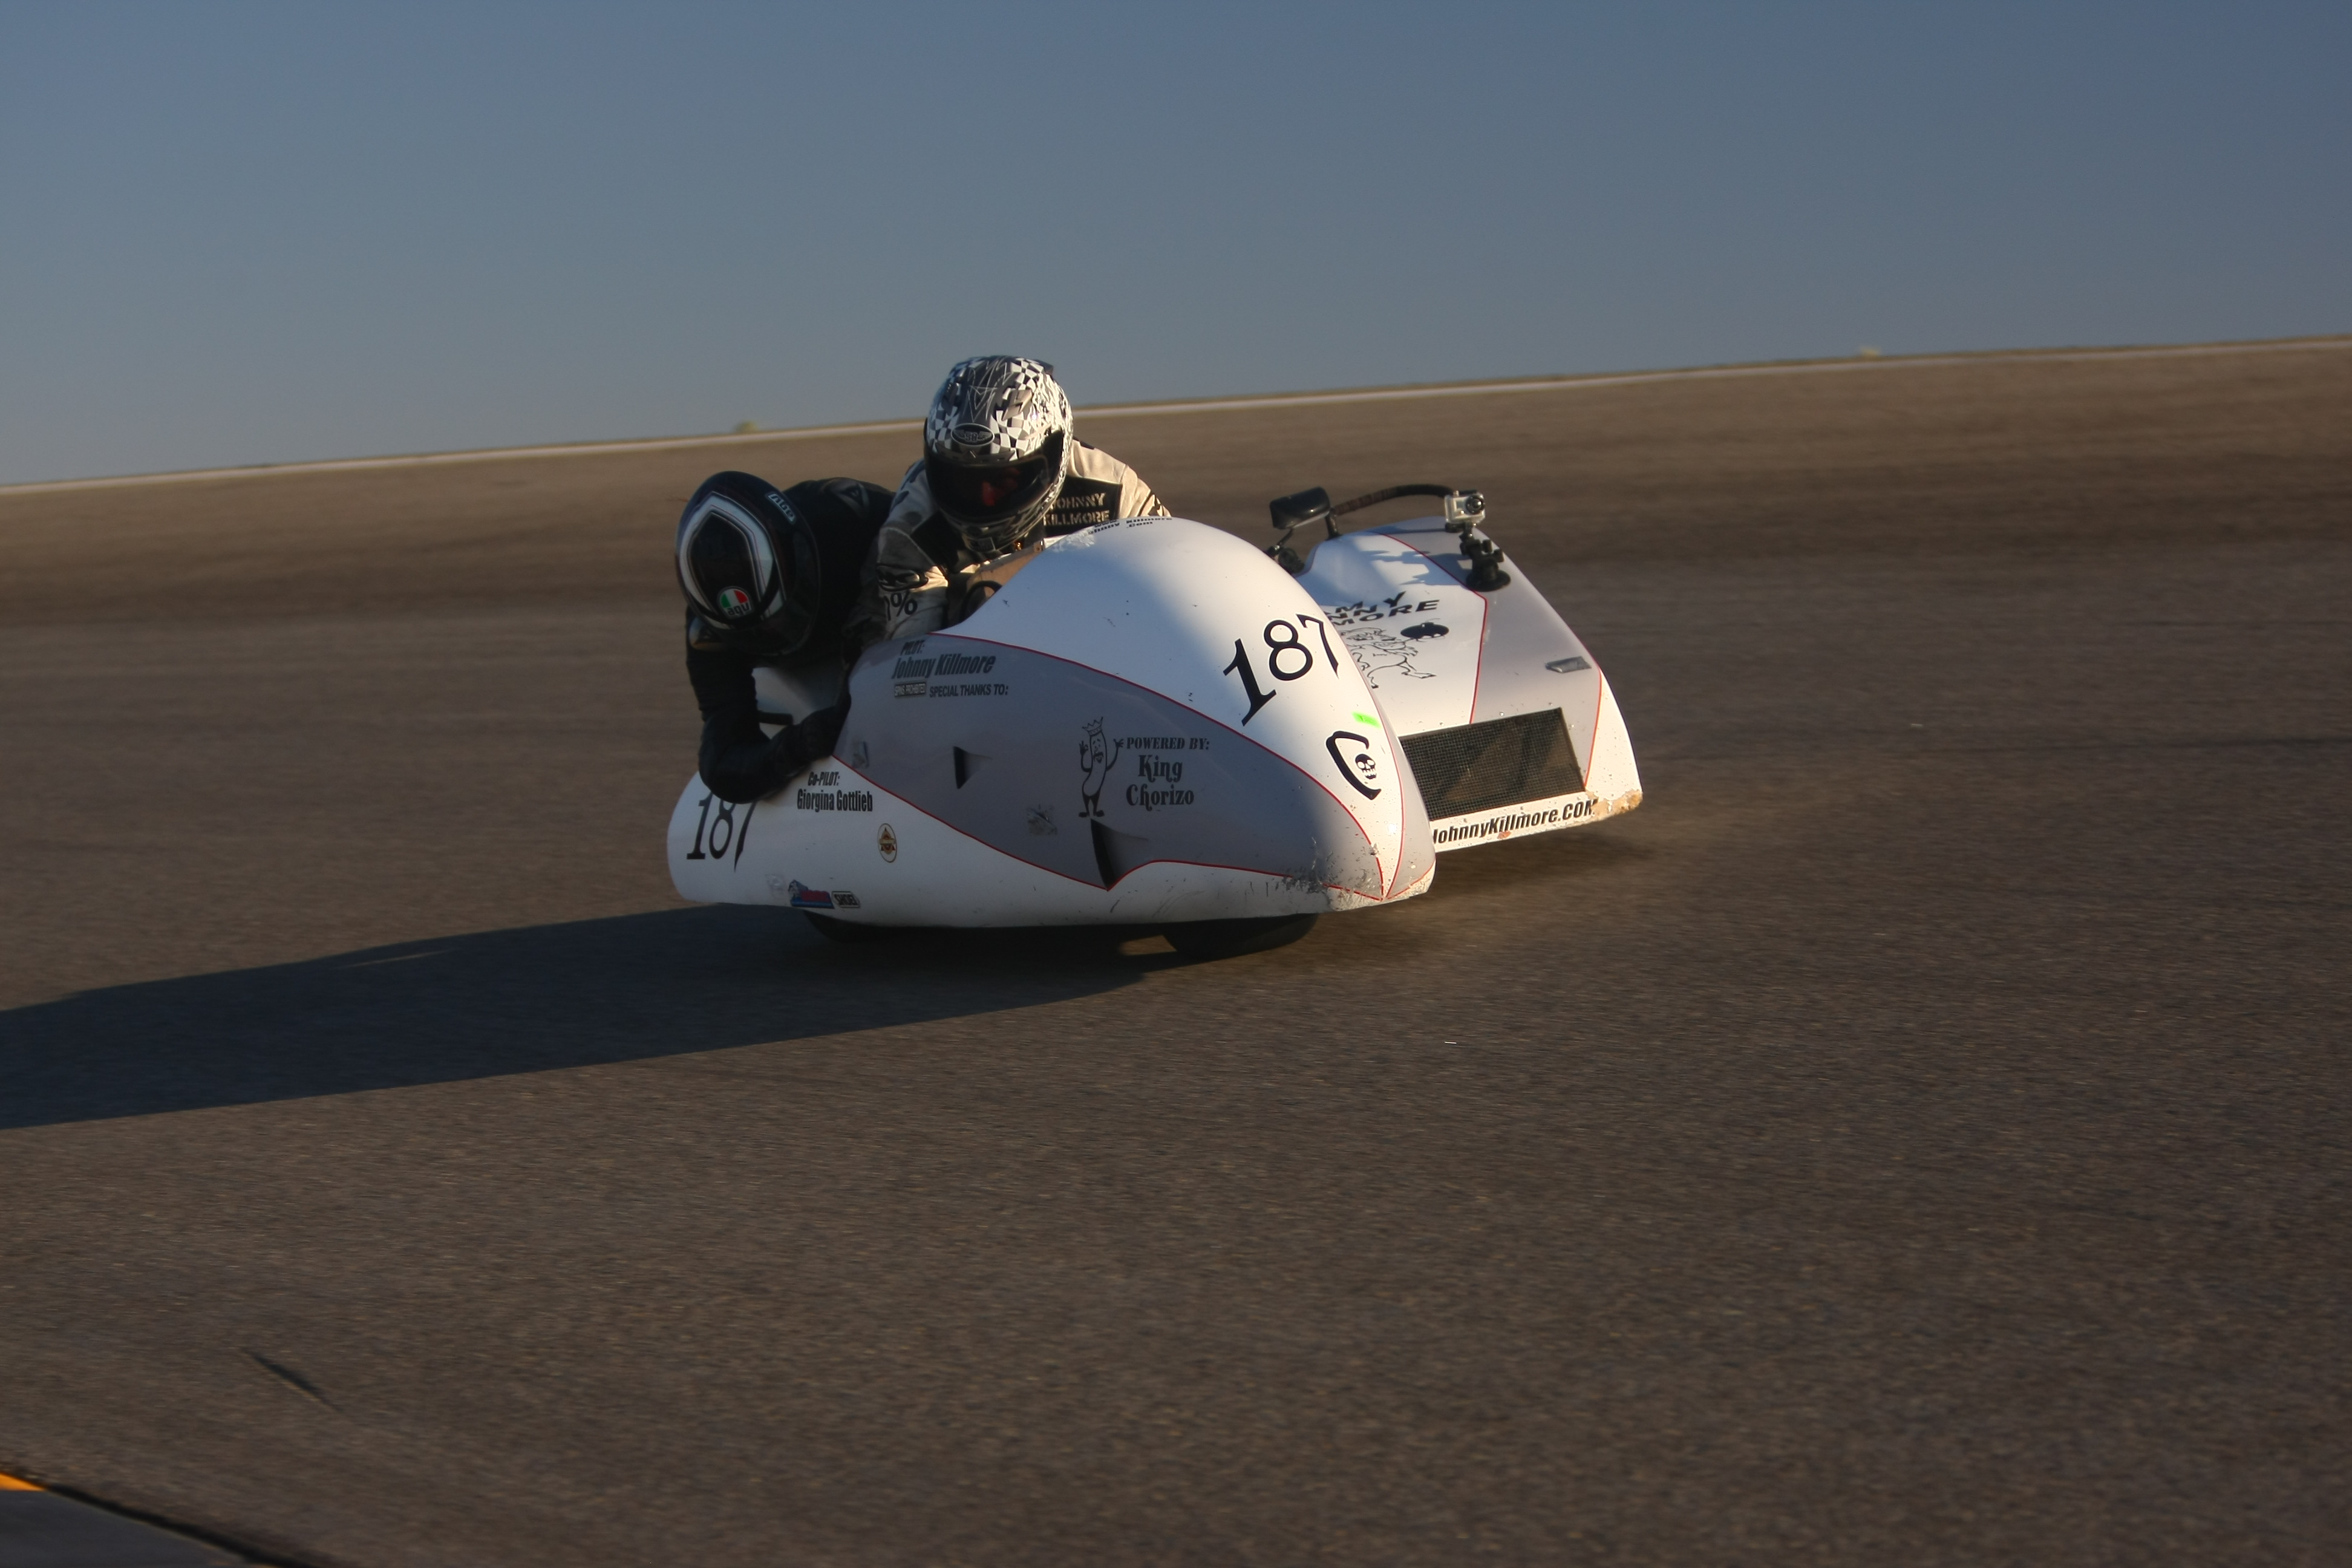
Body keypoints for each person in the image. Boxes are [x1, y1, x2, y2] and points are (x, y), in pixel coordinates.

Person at [848, 356, 1169, 649]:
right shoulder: (913, 525)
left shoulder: (1116, 491)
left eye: (1005, 479)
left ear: (1053, 454)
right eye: (964, 480)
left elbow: (1175, 588)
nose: (986, 498)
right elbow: (914, 660)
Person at [676, 471, 894, 802]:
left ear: (800, 556)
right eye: (755, 633)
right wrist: (796, 745)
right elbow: (721, 762)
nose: (773, 634)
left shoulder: (854, 516)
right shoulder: (709, 631)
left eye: (781, 618)